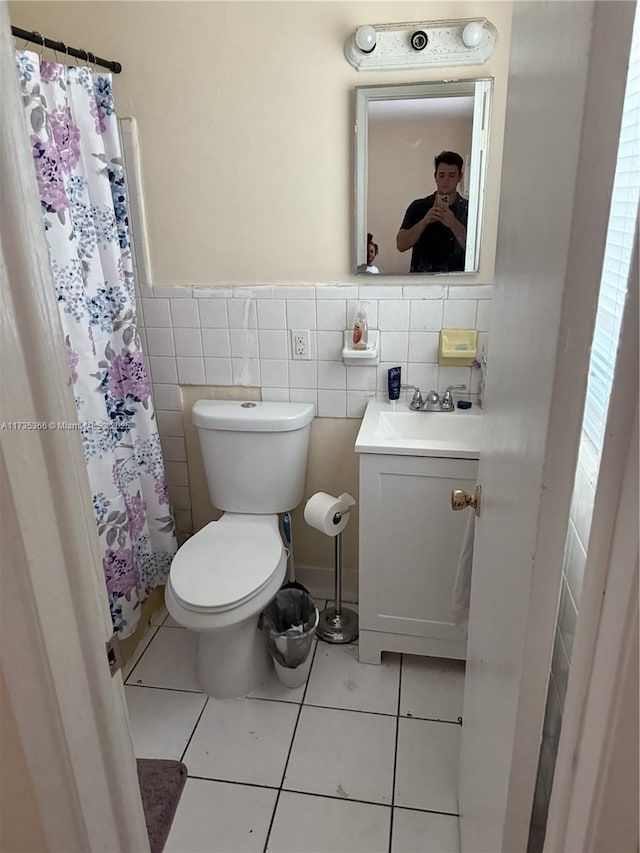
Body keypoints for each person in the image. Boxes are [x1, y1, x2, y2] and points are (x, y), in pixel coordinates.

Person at [396, 151, 468, 273]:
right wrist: (424, 221)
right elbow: (401, 245)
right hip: (421, 284)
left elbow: (478, 252)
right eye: (441, 175)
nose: (446, 181)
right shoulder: (418, 207)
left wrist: (453, 223)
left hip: (457, 284)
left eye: (451, 175)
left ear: (459, 177)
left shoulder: (469, 209)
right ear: (435, 176)